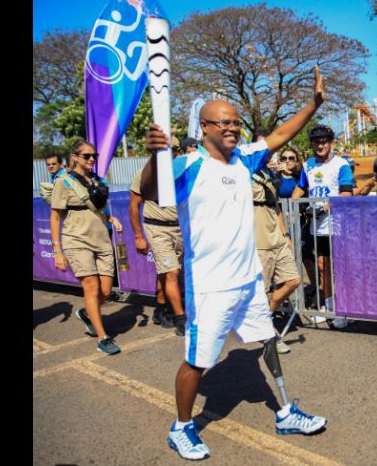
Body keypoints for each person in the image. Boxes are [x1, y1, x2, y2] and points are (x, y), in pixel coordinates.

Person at [141, 66, 328, 461]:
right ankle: (181, 426)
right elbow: (148, 189)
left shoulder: (245, 159)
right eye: (223, 123)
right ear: (205, 126)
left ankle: (284, 411)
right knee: (198, 360)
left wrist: (312, 105)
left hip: (247, 279)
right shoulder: (186, 165)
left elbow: (280, 135)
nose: (232, 128)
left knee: (268, 339)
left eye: (236, 122)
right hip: (210, 285)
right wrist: (155, 155)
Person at [50, 140, 124, 355]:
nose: (91, 159)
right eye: (86, 156)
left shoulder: (97, 181)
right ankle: (103, 337)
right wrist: (57, 251)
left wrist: (111, 218)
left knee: (106, 291)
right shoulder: (63, 183)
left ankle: (86, 313)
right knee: (91, 287)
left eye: (94, 156)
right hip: (76, 241)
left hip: (102, 240)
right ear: (74, 157)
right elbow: (55, 217)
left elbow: (96, 210)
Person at [291, 124, 354, 329]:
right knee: (322, 267)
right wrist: (292, 204)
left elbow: (347, 192)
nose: (321, 144)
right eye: (317, 141)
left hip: (336, 224)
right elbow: (301, 187)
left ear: (330, 142)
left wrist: (329, 205)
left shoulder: (341, 164)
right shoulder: (308, 165)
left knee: (339, 268)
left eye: (324, 141)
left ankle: (346, 309)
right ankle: (328, 305)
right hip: (316, 226)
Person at [128, 141, 187, 336]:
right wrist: (138, 236)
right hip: (157, 229)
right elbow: (134, 205)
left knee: (168, 273)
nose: (173, 152)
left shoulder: (182, 172)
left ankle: (161, 309)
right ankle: (181, 318)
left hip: (180, 230)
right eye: (168, 148)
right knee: (172, 272)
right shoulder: (147, 174)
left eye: (176, 149)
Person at [252, 163, 301, 354]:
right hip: (258, 242)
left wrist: (286, 234)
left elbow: (276, 206)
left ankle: (264, 315)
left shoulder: (269, 173)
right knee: (261, 290)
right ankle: (269, 334)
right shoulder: (243, 174)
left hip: (278, 240)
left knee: (293, 280)